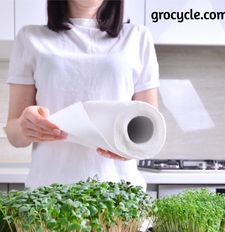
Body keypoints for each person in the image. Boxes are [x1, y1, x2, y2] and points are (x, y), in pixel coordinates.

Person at [6, 0, 159, 189]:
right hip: (48, 195)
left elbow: (150, 129)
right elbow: (14, 133)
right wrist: (25, 126)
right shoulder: (30, 37)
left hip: (120, 193)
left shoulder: (137, 37)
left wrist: (134, 150)